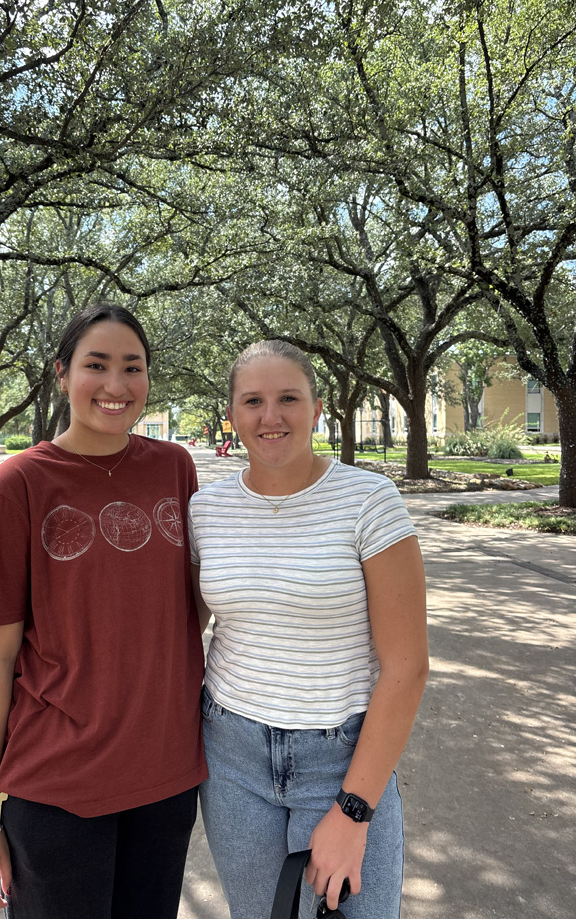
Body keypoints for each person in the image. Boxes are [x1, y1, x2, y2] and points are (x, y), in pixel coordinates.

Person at [0, 303, 207, 919]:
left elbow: (190, 610)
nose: (117, 385)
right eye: (97, 365)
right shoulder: (18, 487)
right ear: (62, 375)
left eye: (134, 367)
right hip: (58, 791)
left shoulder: (174, 469)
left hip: (166, 780)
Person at [188, 340, 428, 919]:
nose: (271, 417)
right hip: (231, 759)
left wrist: (353, 810)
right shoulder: (205, 509)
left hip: (341, 758)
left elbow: (407, 667)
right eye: (253, 401)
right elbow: (177, 633)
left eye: (288, 398)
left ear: (317, 409)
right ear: (233, 414)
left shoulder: (370, 501)